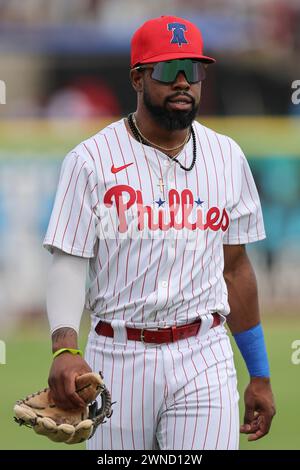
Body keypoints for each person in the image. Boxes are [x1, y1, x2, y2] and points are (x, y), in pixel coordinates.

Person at [44, 15, 275, 450]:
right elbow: (69, 259)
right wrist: (65, 347)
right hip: (117, 356)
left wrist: (259, 374)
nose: (184, 82)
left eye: (195, 69)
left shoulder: (228, 157)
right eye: (170, 70)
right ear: (138, 77)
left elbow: (236, 268)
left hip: (204, 353)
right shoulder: (90, 159)